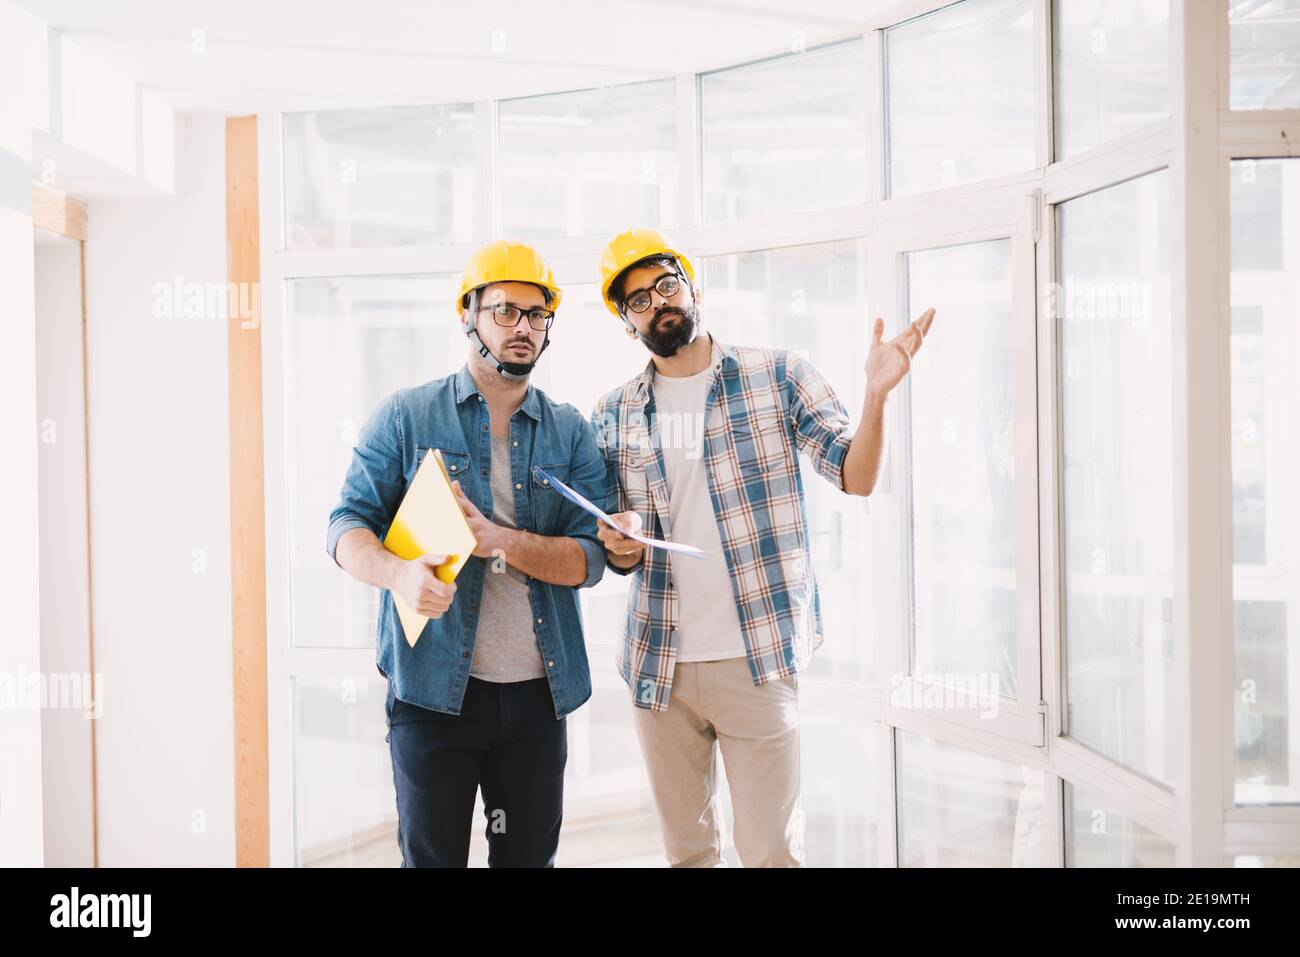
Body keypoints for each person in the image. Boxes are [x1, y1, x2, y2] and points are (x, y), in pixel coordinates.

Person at [590, 227, 935, 867]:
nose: (657, 302)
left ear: (691, 286)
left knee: (771, 852)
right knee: (688, 853)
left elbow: (855, 476)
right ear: (626, 319)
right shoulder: (613, 412)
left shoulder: (776, 376)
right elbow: (621, 555)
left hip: (756, 657)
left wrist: (876, 396)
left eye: (665, 284)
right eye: (637, 299)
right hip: (657, 661)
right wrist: (619, 543)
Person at [326, 240, 609, 867]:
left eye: (538, 315)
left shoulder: (569, 430)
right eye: (506, 311)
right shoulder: (407, 415)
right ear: (469, 316)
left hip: (539, 698)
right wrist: (398, 574)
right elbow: (346, 527)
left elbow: (592, 560)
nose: (524, 328)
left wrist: (501, 541)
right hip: (433, 695)